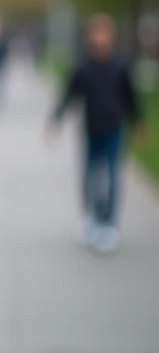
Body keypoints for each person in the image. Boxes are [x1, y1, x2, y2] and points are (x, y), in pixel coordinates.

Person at [49, 14, 146, 254]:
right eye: (95, 32)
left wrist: (138, 123)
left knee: (112, 176)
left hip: (114, 130)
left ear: (110, 37)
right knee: (91, 177)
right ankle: (90, 218)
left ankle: (108, 224)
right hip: (91, 130)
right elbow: (69, 94)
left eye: (103, 32)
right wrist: (56, 120)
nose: (99, 37)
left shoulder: (120, 66)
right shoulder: (83, 67)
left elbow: (130, 97)